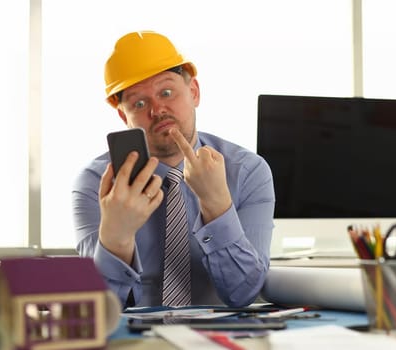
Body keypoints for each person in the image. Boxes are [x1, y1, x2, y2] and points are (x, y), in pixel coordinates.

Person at [72, 30, 275, 308]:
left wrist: (217, 205)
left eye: (166, 92)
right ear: (123, 116)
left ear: (194, 92)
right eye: (139, 103)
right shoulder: (96, 184)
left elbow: (243, 294)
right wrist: (116, 239)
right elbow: (94, 310)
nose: (157, 110)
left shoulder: (248, 172)